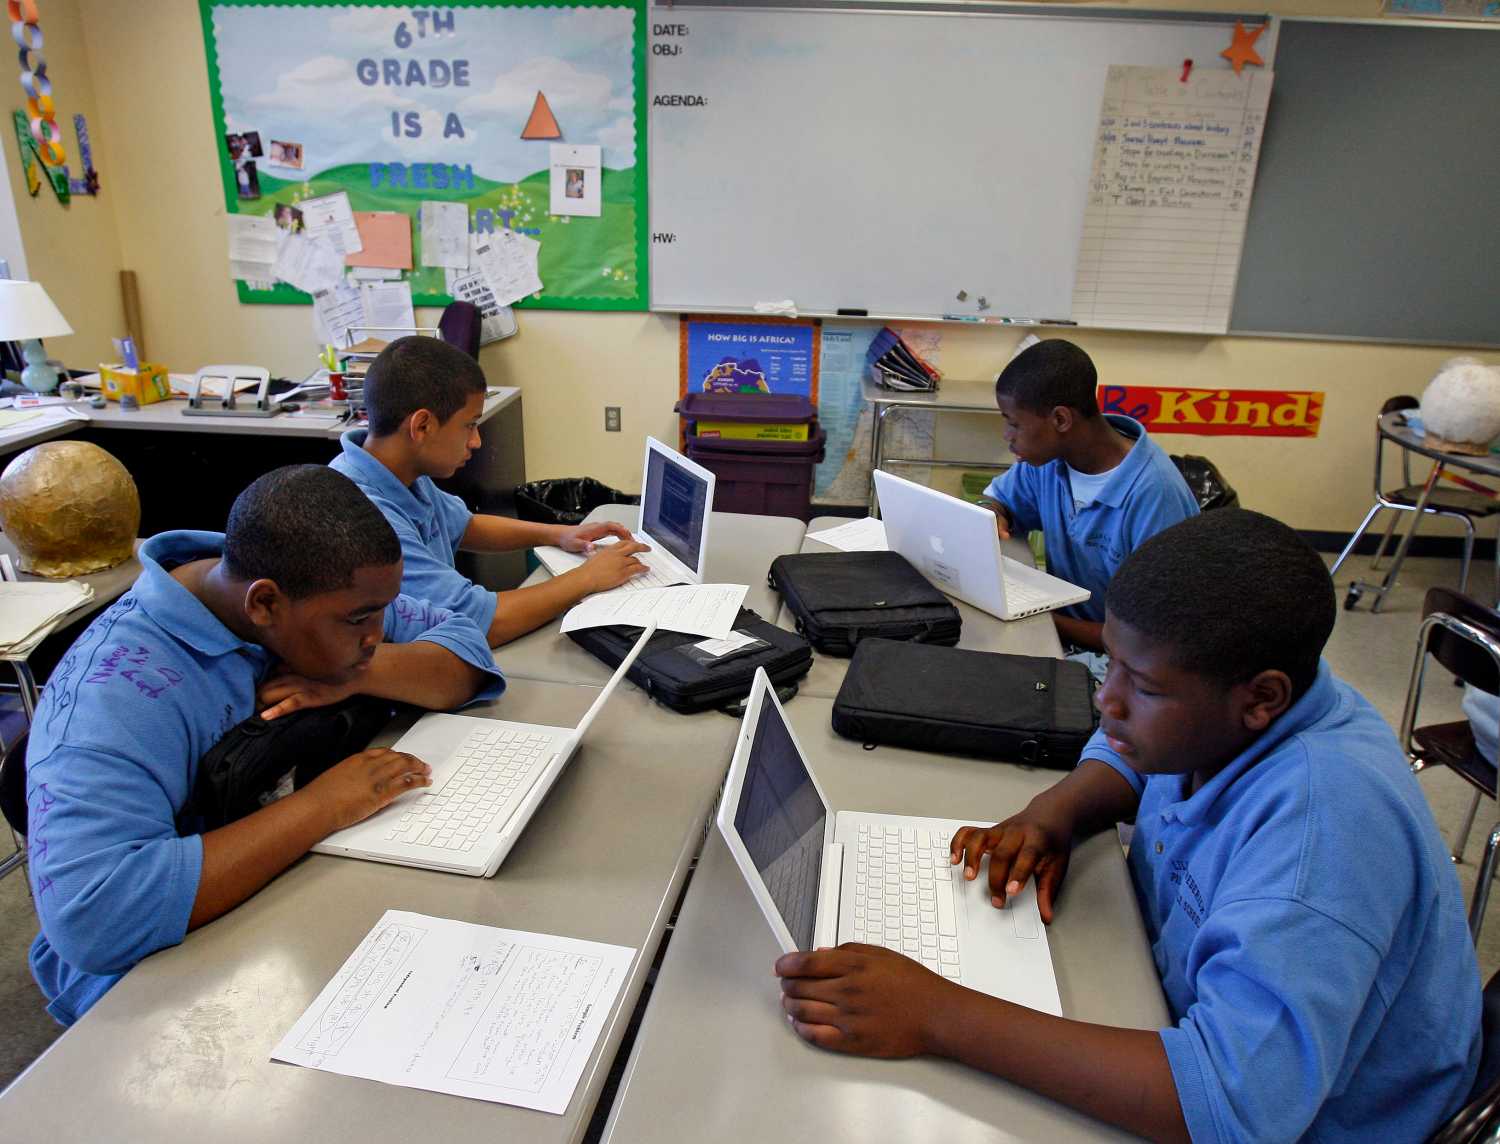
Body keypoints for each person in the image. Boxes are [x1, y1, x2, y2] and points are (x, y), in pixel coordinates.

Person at [775, 509, 1482, 1142]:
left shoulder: (1320, 837)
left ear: (1262, 698)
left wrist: (937, 1014)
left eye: (1141, 687)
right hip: (1171, 1002)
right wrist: (1063, 808)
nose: (1106, 702)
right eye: (1110, 664)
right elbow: (1131, 743)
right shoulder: (1242, 704)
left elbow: (1233, 1109)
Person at [25, 466, 505, 1026]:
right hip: (160, 978)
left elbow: (467, 653)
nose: (378, 632)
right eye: (361, 622)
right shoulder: (115, 694)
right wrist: (324, 805)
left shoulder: (330, 587)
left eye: (383, 612)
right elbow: (94, 915)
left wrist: (358, 675)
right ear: (264, 605)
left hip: (292, 883)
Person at [330, 336, 649, 648]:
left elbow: (465, 525)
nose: (476, 441)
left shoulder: (398, 470)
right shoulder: (366, 515)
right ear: (422, 426)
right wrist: (587, 578)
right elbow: (478, 625)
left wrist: (561, 533)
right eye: (469, 425)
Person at [976, 339, 1197, 654]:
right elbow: (1000, 500)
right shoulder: (1048, 461)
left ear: (1061, 420)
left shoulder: (1154, 495)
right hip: (1064, 638)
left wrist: (1042, 621)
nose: (1007, 435)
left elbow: (1154, 640)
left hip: (1126, 663)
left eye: (1014, 423)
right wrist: (990, 512)